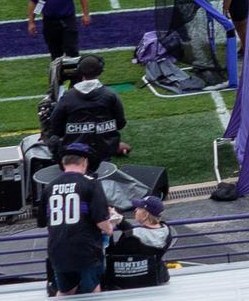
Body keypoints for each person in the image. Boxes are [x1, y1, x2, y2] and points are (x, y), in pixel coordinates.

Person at [45, 144, 115, 297]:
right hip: (86, 249)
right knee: (92, 290)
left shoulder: (49, 186)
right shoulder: (91, 183)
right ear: (84, 162)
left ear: (63, 163)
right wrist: (110, 229)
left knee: (65, 291)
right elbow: (101, 222)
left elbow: (43, 221)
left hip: (57, 249)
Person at [49, 53, 129, 162]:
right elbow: (120, 124)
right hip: (104, 151)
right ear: (100, 71)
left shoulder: (67, 97)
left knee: (53, 140)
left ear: (79, 71)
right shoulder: (111, 95)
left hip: (75, 152)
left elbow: (55, 126)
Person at [103, 197, 172, 290]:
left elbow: (112, 254)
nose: (135, 210)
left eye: (139, 208)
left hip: (130, 281)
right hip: (157, 277)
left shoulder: (131, 236)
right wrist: (121, 221)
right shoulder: (166, 231)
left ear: (146, 215)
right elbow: (140, 238)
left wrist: (109, 230)